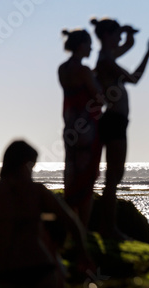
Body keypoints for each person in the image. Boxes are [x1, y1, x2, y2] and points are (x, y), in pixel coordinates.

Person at [0, 140, 94, 288]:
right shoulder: (37, 191)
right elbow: (72, 222)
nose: (31, 172)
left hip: (2, 272)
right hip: (40, 271)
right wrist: (82, 254)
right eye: (32, 167)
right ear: (24, 164)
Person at [91, 17, 149, 239]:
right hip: (114, 120)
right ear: (108, 36)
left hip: (117, 120)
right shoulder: (106, 61)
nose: (120, 39)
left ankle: (107, 226)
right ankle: (108, 228)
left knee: (114, 175)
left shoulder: (108, 56)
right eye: (117, 35)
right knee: (113, 176)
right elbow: (135, 78)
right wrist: (148, 52)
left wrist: (130, 35)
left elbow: (127, 45)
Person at [58, 28, 103, 228]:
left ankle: (71, 225)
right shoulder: (84, 71)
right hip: (88, 128)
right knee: (88, 177)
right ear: (81, 45)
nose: (92, 48)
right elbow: (98, 97)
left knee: (72, 174)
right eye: (89, 44)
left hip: (70, 126)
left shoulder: (63, 69)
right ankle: (83, 227)